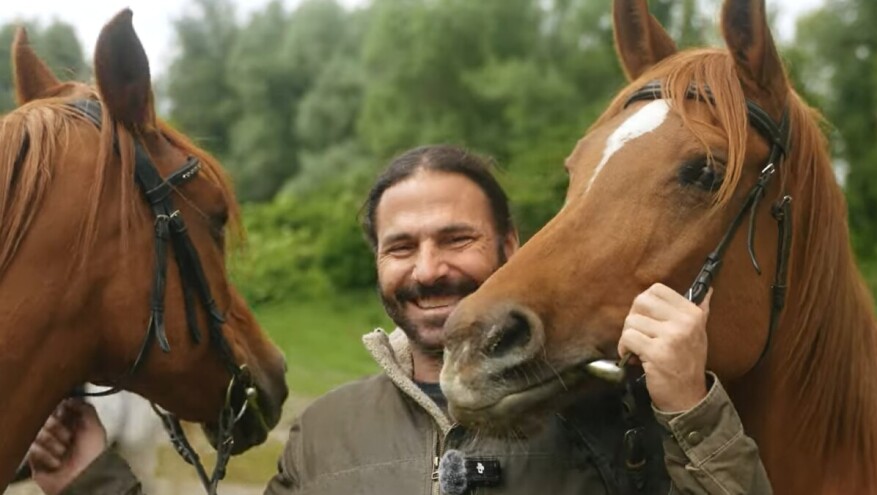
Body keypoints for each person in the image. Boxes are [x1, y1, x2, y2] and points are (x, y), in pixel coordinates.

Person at [26, 144, 772, 494]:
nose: (427, 269)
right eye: (401, 247)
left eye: (457, 238)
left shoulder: (620, 416)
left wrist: (690, 405)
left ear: (511, 247)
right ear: (378, 264)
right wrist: (94, 480)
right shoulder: (327, 434)